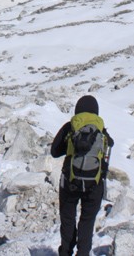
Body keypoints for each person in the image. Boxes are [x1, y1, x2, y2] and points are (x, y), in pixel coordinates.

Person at [50, 95, 114, 256]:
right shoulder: (101, 130)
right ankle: (83, 252)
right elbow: (110, 146)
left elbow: (54, 151)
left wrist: (72, 148)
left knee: (68, 217)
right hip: (95, 182)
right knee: (87, 220)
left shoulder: (70, 127)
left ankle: (65, 251)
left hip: (70, 180)